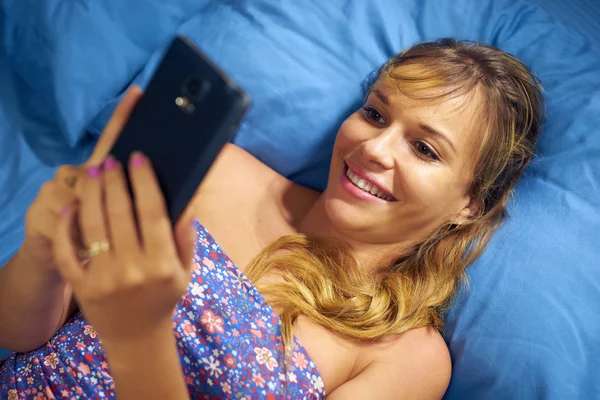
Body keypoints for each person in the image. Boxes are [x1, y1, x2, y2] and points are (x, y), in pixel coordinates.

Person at [0, 39, 543, 399]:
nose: (374, 147)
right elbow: (18, 332)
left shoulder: (408, 357)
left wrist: (137, 334)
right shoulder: (220, 174)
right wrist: (43, 254)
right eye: (375, 114)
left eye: (424, 149)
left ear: (472, 203)